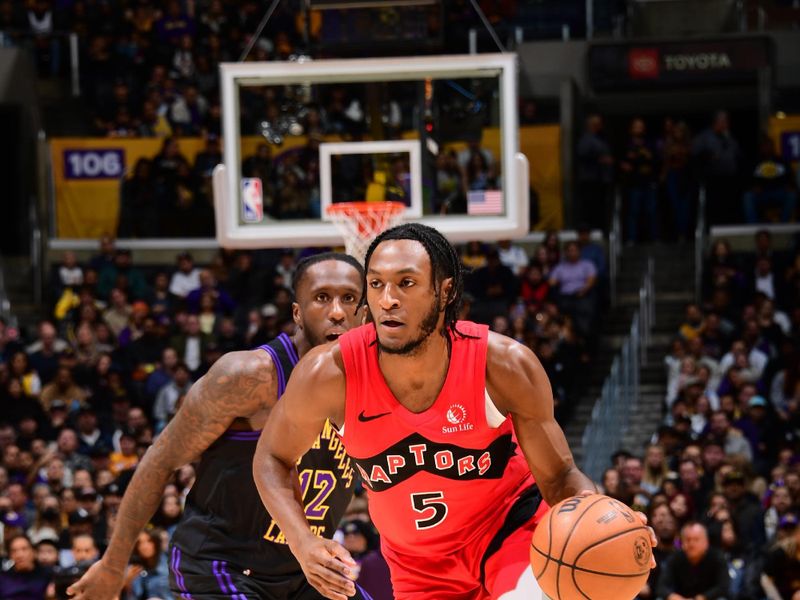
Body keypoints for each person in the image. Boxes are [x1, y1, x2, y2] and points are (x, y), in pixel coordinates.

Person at [253, 223, 655, 600]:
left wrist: (607, 522)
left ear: (445, 292)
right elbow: (272, 456)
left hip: (509, 533)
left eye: (405, 283)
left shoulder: (503, 365)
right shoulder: (330, 373)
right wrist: (302, 542)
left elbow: (559, 476)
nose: (387, 299)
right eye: (375, 284)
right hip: (416, 564)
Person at [67, 253, 370, 600]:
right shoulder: (249, 376)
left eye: (349, 298)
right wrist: (111, 565)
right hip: (220, 565)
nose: (337, 311)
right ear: (297, 313)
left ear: (364, 312)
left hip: (305, 570)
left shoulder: (373, 382)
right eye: (321, 297)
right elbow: (160, 460)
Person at [656, 521, 730, 600]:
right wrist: (674, 597)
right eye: (688, 540)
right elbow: (661, 587)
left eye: (696, 539)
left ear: (706, 542)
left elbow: (723, 587)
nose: (691, 544)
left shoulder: (717, 557)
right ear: (682, 542)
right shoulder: (675, 558)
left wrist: (701, 598)